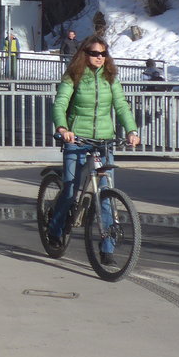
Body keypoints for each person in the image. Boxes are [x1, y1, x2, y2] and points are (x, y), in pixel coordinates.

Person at [47, 35, 140, 260]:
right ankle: (55, 229)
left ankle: (107, 247)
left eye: (103, 54)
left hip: (104, 141)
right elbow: (60, 103)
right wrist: (63, 128)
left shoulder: (111, 78)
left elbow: (121, 106)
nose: (99, 57)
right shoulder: (74, 76)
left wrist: (131, 130)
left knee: (105, 196)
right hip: (77, 139)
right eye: (94, 53)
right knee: (70, 191)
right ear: (84, 54)